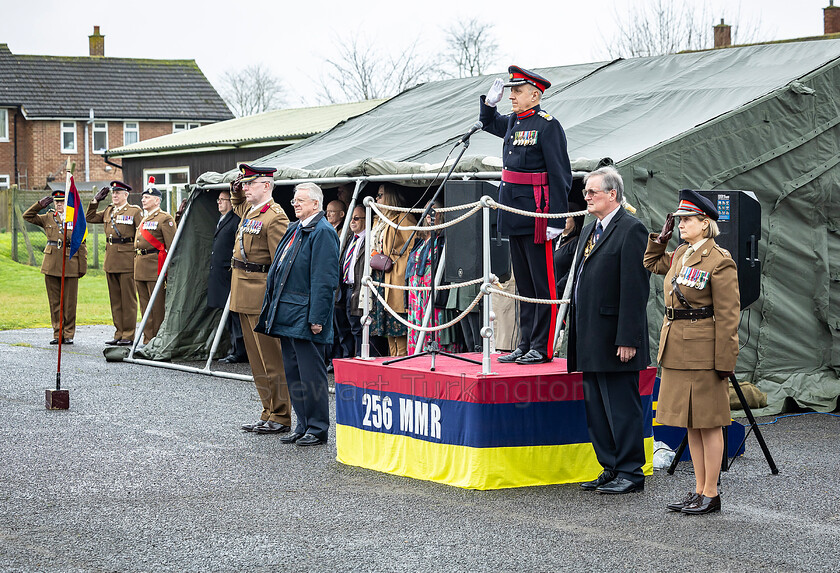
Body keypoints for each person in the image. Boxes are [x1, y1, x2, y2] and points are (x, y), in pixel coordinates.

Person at [644, 189, 740, 515]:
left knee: (709, 423)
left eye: (686, 220)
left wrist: (726, 361)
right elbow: (651, 262)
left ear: (705, 222)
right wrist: (661, 237)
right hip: (675, 347)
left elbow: (728, 315)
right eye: (680, 219)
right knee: (690, 423)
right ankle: (699, 489)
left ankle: (711, 493)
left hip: (703, 351)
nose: (681, 224)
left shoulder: (719, 260)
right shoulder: (681, 253)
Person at [480, 65, 573, 364]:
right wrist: (488, 105)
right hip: (515, 212)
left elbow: (561, 176)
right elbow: (489, 124)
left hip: (537, 215)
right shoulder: (513, 123)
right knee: (523, 284)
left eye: (517, 91)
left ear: (535, 94)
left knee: (541, 285)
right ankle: (525, 342)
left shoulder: (548, 125)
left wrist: (556, 219)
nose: (512, 97)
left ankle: (542, 346)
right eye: (511, 92)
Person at [567, 166, 650, 495]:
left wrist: (627, 338)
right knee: (598, 408)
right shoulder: (591, 229)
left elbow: (635, 288)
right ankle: (610, 466)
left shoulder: (631, 229)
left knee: (621, 406)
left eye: (592, 192)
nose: (586, 196)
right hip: (590, 335)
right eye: (586, 191)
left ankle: (631, 471)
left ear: (612, 194)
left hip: (616, 337)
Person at [256, 182, 340, 447]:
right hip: (288, 314)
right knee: (294, 372)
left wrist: (318, 318)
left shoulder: (323, 232)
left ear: (316, 204)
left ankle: (317, 427)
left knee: (311, 374)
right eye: (294, 201)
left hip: (306, 316)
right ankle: (302, 424)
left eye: (301, 201)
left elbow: (325, 280)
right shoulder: (294, 228)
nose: (296, 204)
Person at [229, 163, 293, 435]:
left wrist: (276, 299)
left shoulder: (275, 217)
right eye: (243, 184)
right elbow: (237, 204)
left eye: (249, 183)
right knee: (256, 360)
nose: (244, 188)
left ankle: (281, 415)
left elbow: (282, 262)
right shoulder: (251, 210)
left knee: (271, 358)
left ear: (266, 185)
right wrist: (236, 191)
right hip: (243, 290)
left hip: (261, 292)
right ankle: (267, 410)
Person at [23, 189, 88, 344]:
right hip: (51, 263)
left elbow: (82, 243)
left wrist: (82, 266)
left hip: (71, 262)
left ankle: (68, 334)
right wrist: (39, 205)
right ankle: (57, 333)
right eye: (57, 202)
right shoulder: (48, 217)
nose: (59, 205)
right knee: (54, 302)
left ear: (68, 203)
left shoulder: (76, 218)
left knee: (70, 302)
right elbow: (28, 216)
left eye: (62, 201)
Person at [86, 180, 142, 346]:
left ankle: (129, 334)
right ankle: (118, 332)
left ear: (126, 195)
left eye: (118, 193)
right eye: (113, 193)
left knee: (128, 299)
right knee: (115, 300)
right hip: (111, 260)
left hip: (127, 260)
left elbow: (141, 234)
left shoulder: (134, 211)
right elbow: (90, 217)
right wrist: (95, 201)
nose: (115, 195)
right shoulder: (109, 210)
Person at [369, 183, 416, 357]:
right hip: (381, 276)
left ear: (390, 197)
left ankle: (401, 361)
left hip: (395, 277)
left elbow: (413, 246)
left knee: (398, 326)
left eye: (380, 195)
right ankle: (392, 359)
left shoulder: (404, 217)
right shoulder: (378, 219)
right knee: (387, 326)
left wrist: (393, 257)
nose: (377, 199)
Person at [405, 201, 458, 354]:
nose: (429, 214)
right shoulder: (419, 240)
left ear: (441, 213)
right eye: (427, 210)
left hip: (433, 292)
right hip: (416, 294)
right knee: (416, 328)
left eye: (433, 210)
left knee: (432, 325)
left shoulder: (443, 238)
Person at [133, 180, 176, 344]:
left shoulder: (165, 219)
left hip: (155, 268)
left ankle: (157, 340)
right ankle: (147, 338)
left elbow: (172, 246)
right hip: (140, 266)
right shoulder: (144, 219)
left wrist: (169, 271)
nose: (143, 200)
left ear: (157, 200)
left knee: (157, 307)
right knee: (145, 306)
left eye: (147, 197)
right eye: (143, 197)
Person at [207, 189, 246, 364]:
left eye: (223, 200)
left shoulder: (235, 220)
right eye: (218, 200)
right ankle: (234, 348)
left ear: (231, 202)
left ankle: (239, 351)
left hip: (229, 275)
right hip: (221, 274)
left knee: (235, 315)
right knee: (228, 315)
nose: (219, 203)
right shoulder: (222, 220)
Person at [338, 205, 367, 357]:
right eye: (351, 219)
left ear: (365, 219)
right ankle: (346, 359)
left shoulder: (368, 238)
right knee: (343, 328)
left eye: (356, 218)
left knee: (358, 327)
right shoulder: (350, 238)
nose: (352, 222)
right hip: (344, 289)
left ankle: (359, 359)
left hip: (358, 289)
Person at [553, 200, 585, 297]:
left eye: (567, 216)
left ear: (575, 219)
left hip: (561, 294)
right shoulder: (554, 238)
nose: (564, 219)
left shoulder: (576, 243)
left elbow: (572, 271)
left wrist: (557, 289)